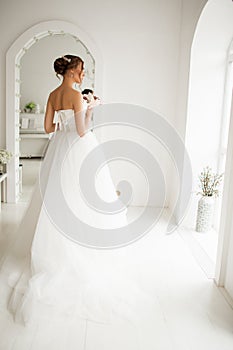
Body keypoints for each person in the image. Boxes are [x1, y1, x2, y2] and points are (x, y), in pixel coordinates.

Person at [0, 55, 146, 348]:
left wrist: (68, 115)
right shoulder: (77, 95)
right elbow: (82, 131)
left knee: (56, 197)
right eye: (81, 70)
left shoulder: (53, 95)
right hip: (79, 150)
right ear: (71, 71)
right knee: (82, 198)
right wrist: (91, 108)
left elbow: (49, 129)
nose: (83, 74)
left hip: (58, 151)